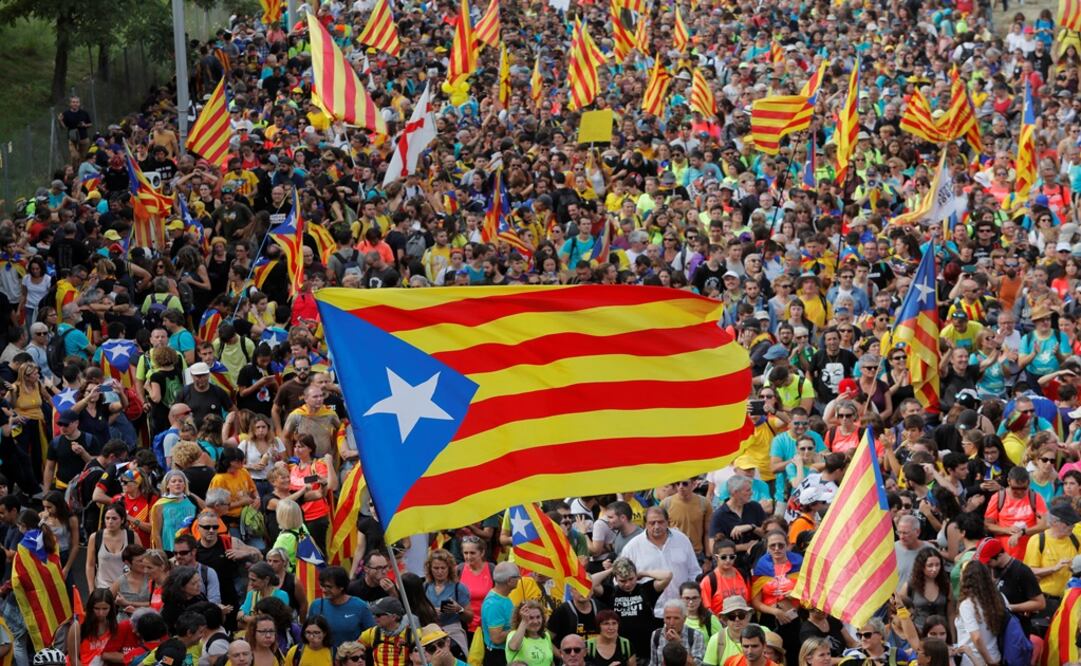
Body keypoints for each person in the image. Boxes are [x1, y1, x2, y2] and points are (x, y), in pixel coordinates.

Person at [622, 507, 700, 617]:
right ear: (645, 524)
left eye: (660, 522)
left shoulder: (682, 540)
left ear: (668, 521)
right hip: (649, 613)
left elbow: (694, 572)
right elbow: (621, 581)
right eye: (652, 523)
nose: (657, 526)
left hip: (682, 610)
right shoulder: (632, 547)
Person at [309, 566, 376, 649]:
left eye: (329, 587)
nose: (324, 590)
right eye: (322, 586)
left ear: (341, 587)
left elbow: (372, 636)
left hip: (350, 659)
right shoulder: (316, 605)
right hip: (323, 659)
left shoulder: (360, 606)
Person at [955, 561, 1005, 666]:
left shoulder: (967, 605)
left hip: (974, 660)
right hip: (995, 655)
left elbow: (976, 637)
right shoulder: (999, 598)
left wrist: (989, 661)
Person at [481, 562, 521, 666]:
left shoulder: (504, 596)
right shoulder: (494, 604)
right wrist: (520, 627)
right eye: (517, 577)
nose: (519, 579)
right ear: (510, 580)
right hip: (498, 656)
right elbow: (496, 638)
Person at [648, 599, 704, 666]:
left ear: (684, 619)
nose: (671, 623)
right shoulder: (656, 635)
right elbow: (653, 663)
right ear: (663, 619)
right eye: (668, 618)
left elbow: (697, 664)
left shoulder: (696, 636)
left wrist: (679, 645)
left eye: (676, 618)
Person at [702, 597, 752, 666]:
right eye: (732, 616)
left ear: (747, 617)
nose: (737, 619)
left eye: (741, 615)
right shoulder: (716, 640)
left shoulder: (762, 633)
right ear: (725, 619)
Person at [506, 599, 554, 666]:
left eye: (538, 617)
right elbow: (514, 646)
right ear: (521, 619)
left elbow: (551, 661)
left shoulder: (546, 635)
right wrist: (524, 622)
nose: (535, 621)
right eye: (530, 618)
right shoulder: (513, 634)